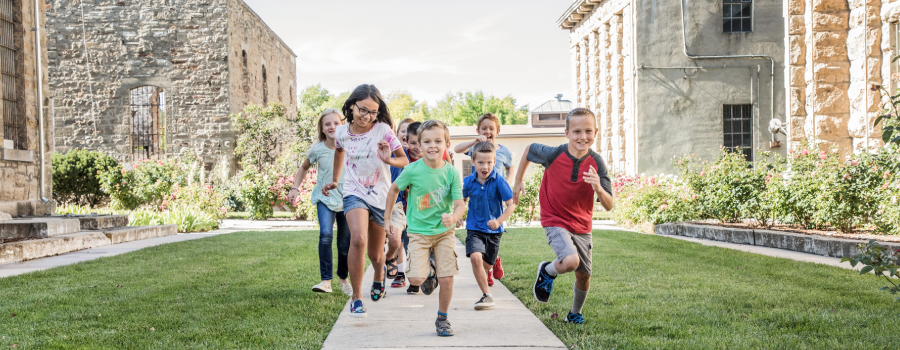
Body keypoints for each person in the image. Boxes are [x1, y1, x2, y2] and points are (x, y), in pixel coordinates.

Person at [512, 107, 614, 325]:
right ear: (567, 132)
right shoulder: (554, 154)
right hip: (554, 219)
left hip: (582, 225)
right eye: (576, 131)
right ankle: (547, 271)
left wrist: (598, 188)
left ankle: (574, 313)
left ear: (595, 132)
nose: (582, 137)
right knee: (570, 261)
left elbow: (609, 205)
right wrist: (518, 180)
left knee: (584, 275)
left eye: (588, 131)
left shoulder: (597, 163)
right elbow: (529, 149)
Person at [323, 84, 409, 318]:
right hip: (354, 191)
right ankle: (357, 297)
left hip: (381, 196)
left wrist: (388, 159)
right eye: (363, 110)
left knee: (375, 253)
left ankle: (379, 275)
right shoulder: (341, 132)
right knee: (358, 239)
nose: (367, 116)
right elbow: (340, 151)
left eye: (372, 112)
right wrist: (334, 180)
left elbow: (404, 161)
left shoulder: (382, 130)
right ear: (352, 105)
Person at [385, 120, 465, 337]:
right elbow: (393, 190)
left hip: (444, 233)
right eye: (427, 141)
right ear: (418, 145)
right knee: (415, 280)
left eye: (438, 141)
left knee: (448, 277)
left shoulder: (451, 173)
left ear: (446, 144)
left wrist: (454, 217)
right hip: (418, 233)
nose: (433, 146)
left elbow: (459, 204)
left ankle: (442, 318)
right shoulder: (412, 170)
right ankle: (430, 271)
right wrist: (387, 219)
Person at [288, 108, 351, 295]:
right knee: (325, 234)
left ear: (343, 125)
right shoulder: (318, 149)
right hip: (324, 197)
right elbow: (303, 167)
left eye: (336, 123)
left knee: (344, 242)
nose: (332, 127)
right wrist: (295, 188)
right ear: (322, 129)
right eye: (327, 124)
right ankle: (326, 281)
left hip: (347, 198)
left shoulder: (350, 146)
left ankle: (343, 279)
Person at [453, 113, 513, 280]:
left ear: (498, 130)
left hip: (497, 192)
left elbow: (510, 167)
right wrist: (474, 141)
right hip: (477, 191)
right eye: (483, 128)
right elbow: (457, 150)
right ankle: (487, 270)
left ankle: (492, 262)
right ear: (478, 130)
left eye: (491, 128)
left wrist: (507, 184)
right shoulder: (476, 148)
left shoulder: (503, 151)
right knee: (479, 244)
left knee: (493, 230)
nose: (487, 131)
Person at [462, 141, 516, 310]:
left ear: (494, 162)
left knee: (487, 265)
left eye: (489, 162)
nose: (485, 167)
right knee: (475, 258)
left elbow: (511, 205)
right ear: (473, 162)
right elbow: (462, 201)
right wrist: (458, 216)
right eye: (480, 162)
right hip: (474, 228)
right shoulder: (469, 182)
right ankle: (487, 295)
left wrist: (499, 221)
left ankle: (493, 263)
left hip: (494, 230)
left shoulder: (499, 181)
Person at [387, 118, 415, 288]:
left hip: (404, 204)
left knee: (404, 240)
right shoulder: (390, 152)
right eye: (402, 131)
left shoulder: (413, 158)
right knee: (396, 240)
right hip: (385, 201)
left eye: (409, 131)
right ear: (396, 135)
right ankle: (399, 272)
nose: (405, 134)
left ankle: (405, 272)